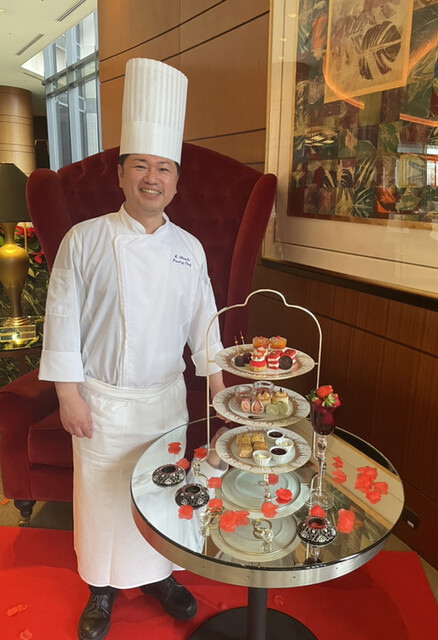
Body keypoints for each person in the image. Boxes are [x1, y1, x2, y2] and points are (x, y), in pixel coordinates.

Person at [39, 58, 228, 640]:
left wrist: (219, 391)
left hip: (164, 403)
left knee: (163, 494)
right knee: (101, 500)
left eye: (163, 167)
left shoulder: (189, 248)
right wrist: (68, 395)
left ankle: (160, 576)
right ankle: (101, 587)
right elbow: (61, 319)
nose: (153, 177)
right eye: (141, 165)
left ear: (176, 180)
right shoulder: (84, 240)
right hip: (102, 403)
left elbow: (205, 324)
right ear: (121, 175)